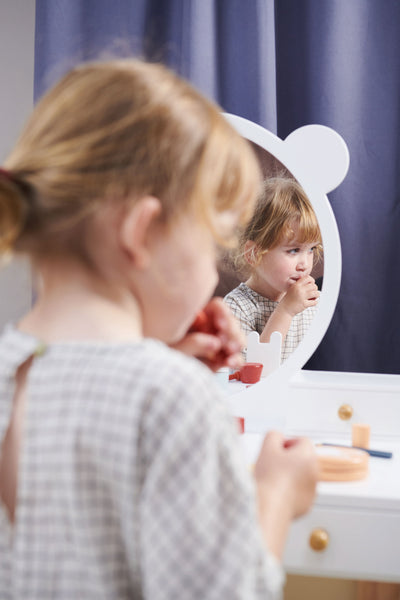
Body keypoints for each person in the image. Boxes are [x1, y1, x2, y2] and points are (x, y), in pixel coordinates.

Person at [0, 58, 318, 599]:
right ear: (141, 232)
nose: (209, 271)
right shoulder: (173, 398)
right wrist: (276, 496)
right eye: (212, 239)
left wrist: (163, 351)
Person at [224, 176, 322, 362]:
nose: (305, 264)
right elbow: (251, 372)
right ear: (254, 254)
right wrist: (285, 311)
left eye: (311, 249)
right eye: (294, 250)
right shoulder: (237, 308)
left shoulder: (312, 302)